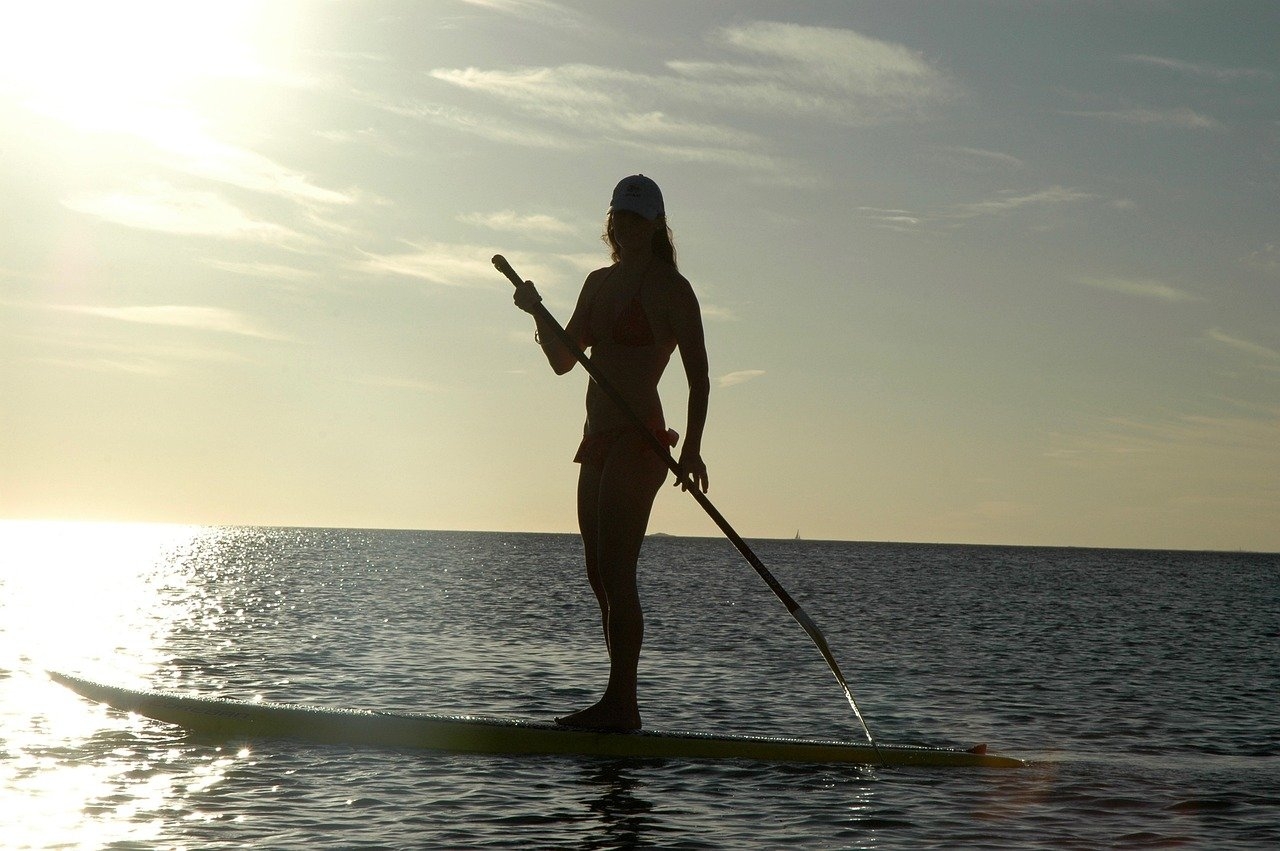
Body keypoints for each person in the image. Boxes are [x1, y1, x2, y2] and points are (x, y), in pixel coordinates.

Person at [512, 174, 710, 731]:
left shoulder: (675, 290)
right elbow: (563, 359)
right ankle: (617, 701)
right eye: (619, 218)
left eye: (637, 220)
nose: (625, 228)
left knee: (619, 571)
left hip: (641, 436)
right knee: (598, 572)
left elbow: (699, 378)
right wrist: (536, 312)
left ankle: (623, 704)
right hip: (597, 436)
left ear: (655, 228)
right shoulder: (597, 284)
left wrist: (692, 450)